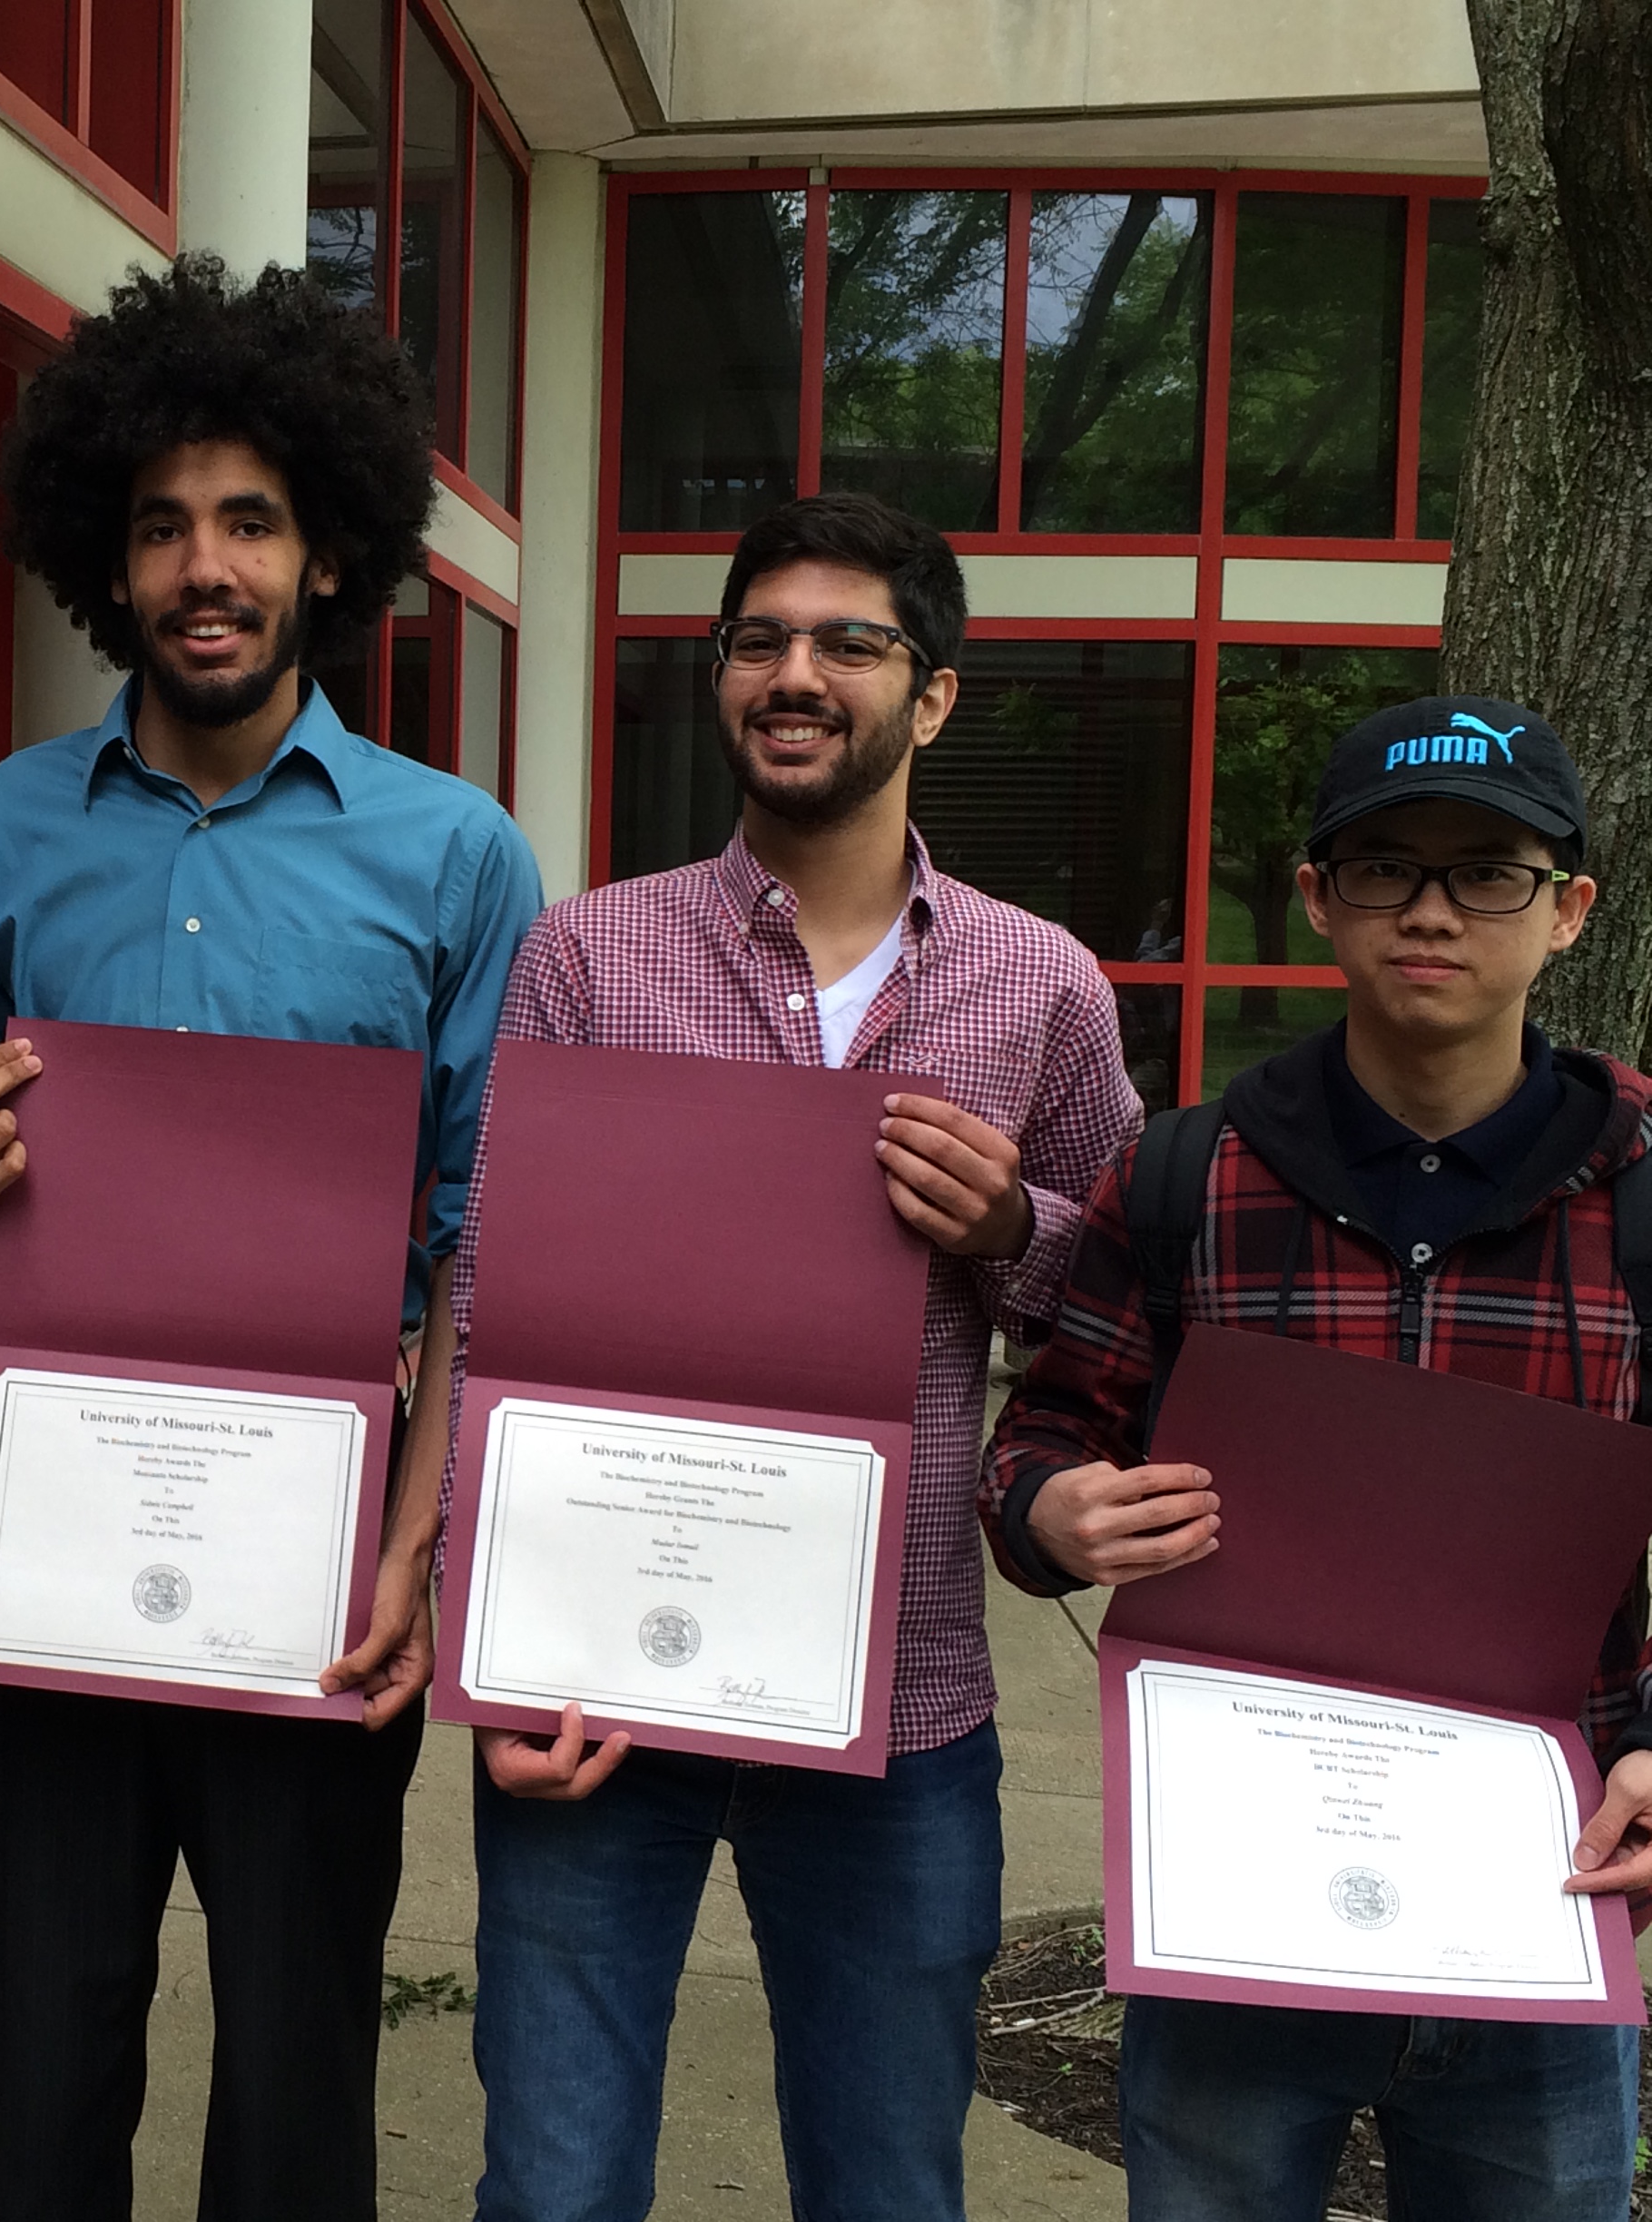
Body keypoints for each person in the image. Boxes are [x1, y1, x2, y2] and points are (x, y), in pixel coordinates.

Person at [0, 253, 543, 2221]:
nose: (206, 564)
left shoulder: (457, 859)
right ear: (110, 554)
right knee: (48, 2084)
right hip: (50, 1555)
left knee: (292, 2100)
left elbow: (480, 1242)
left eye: (250, 520)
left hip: (314, 1563)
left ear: (328, 549)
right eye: (166, 521)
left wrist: (418, 1549)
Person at [452, 491, 1145, 2222]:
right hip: (598, 1686)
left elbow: (1117, 1333)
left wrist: (1011, 1234)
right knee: (549, 2185)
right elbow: (495, 1320)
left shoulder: (1041, 989)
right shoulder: (590, 957)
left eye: (850, 641)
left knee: (889, 2185)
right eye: (759, 638)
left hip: (897, 1703)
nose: (796, 672)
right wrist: (491, 1652)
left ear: (935, 696)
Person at [984, 694, 1651, 2221]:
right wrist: (1055, 1511)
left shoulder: (1642, 1201)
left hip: (1535, 1898)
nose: (1430, 909)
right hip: (1241, 1896)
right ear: (1316, 901)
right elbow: (1044, 1437)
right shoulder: (1180, 1178)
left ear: (1568, 912)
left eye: (1488, 871)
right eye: (1383, 867)